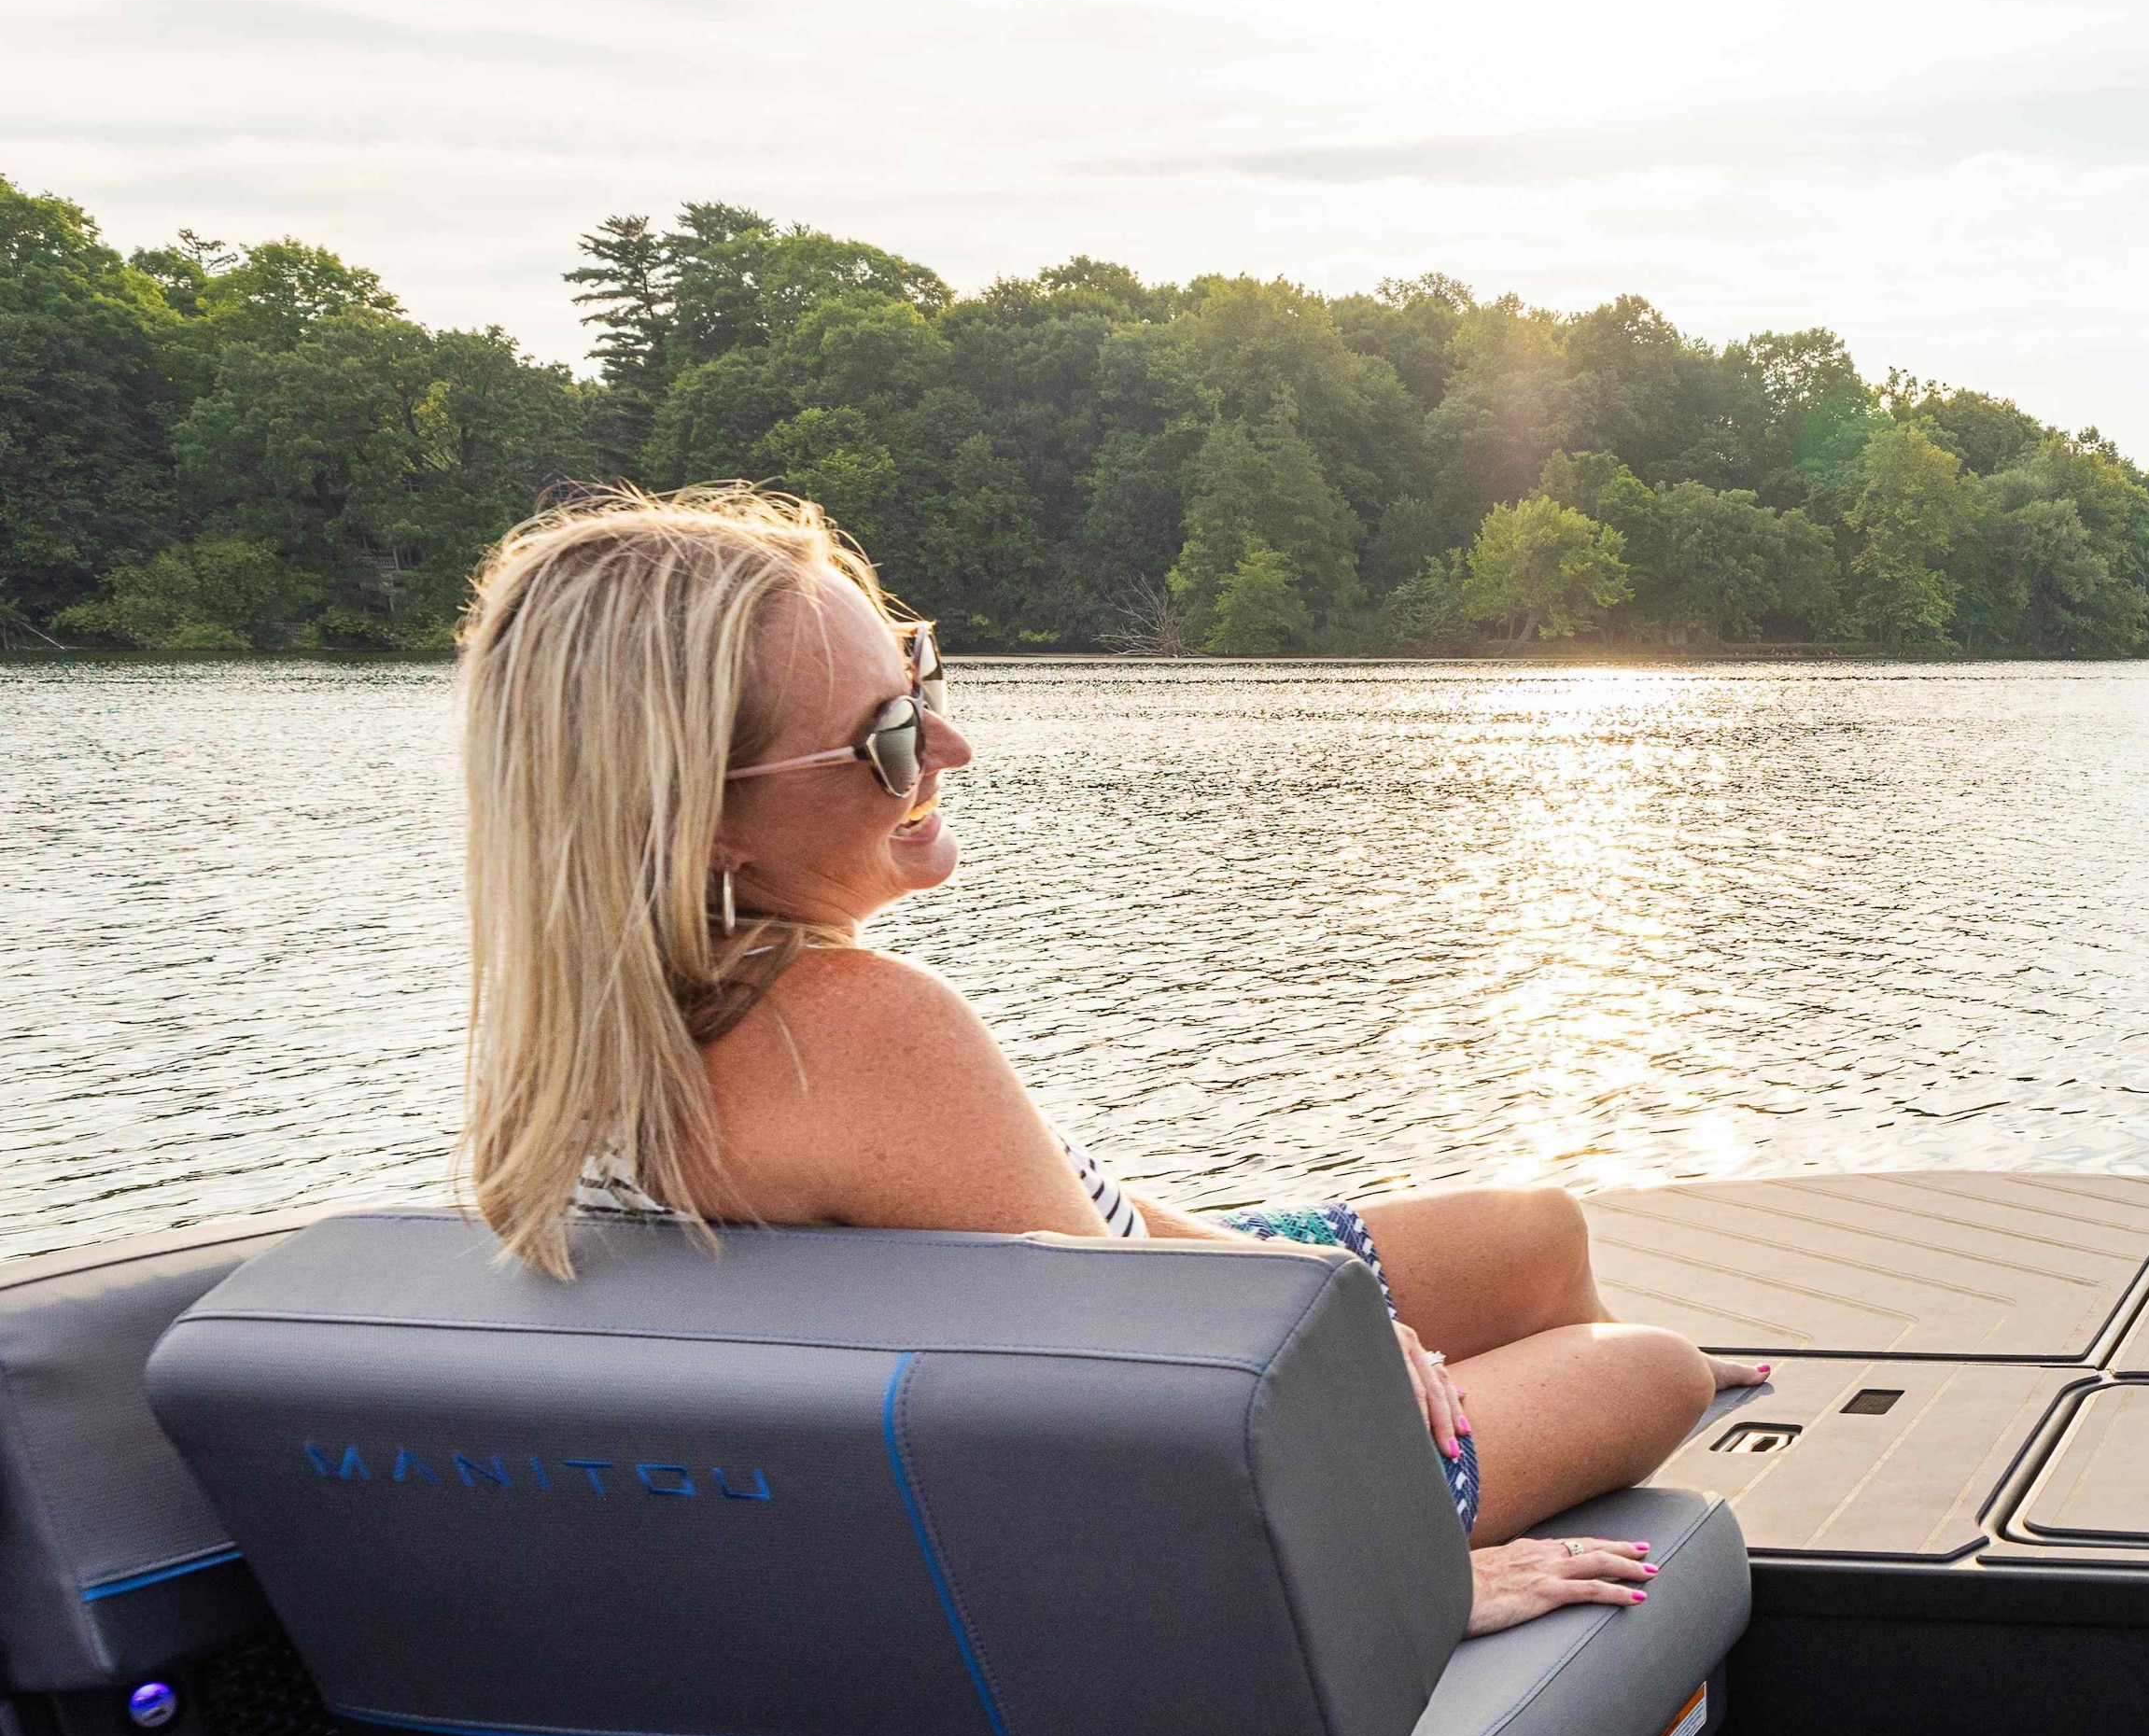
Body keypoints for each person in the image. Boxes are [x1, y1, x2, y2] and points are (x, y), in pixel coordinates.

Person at [453, 484, 1756, 1634]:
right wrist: (1400, 1577)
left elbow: (1091, 1241)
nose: (947, 750)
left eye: (921, 684)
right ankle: (1524, 1439)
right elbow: (1137, 1396)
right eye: (887, 740)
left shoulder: (608, 1055)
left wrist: (1338, 1307)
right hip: (1205, 1492)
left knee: (1534, 1234)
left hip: (1107, 1348)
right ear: (705, 825)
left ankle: (1511, 1387)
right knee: (1652, 1371)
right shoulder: (855, 1024)